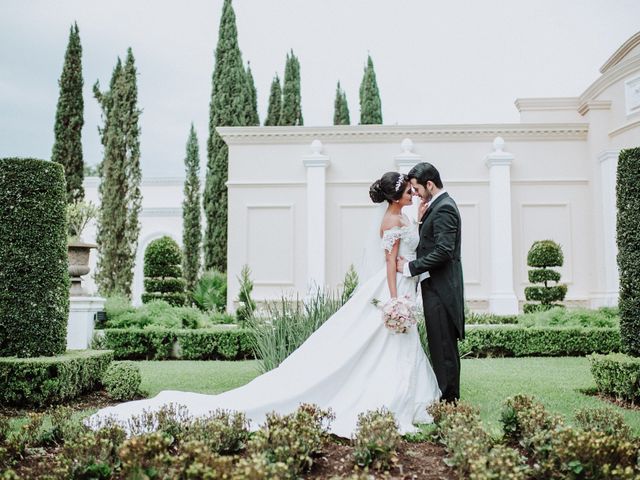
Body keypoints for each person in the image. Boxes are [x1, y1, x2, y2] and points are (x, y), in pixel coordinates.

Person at [88, 172, 440, 438]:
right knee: (385, 343)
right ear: (397, 197)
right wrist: (394, 300)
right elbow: (391, 264)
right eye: (410, 190)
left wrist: (422, 214)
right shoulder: (392, 221)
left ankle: (409, 399)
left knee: (396, 345)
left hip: (406, 287)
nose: (414, 192)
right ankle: (391, 400)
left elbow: (412, 244)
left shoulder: (406, 216)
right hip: (395, 288)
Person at [397, 162, 464, 402]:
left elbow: (444, 251)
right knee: (439, 343)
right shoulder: (435, 207)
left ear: (429, 184)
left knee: (444, 346)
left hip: (442, 289)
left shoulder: (445, 208)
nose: (414, 193)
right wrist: (421, 221)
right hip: (434, 287)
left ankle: (450, 401)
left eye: (416, 188)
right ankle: (445, 397)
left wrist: (409, 267)